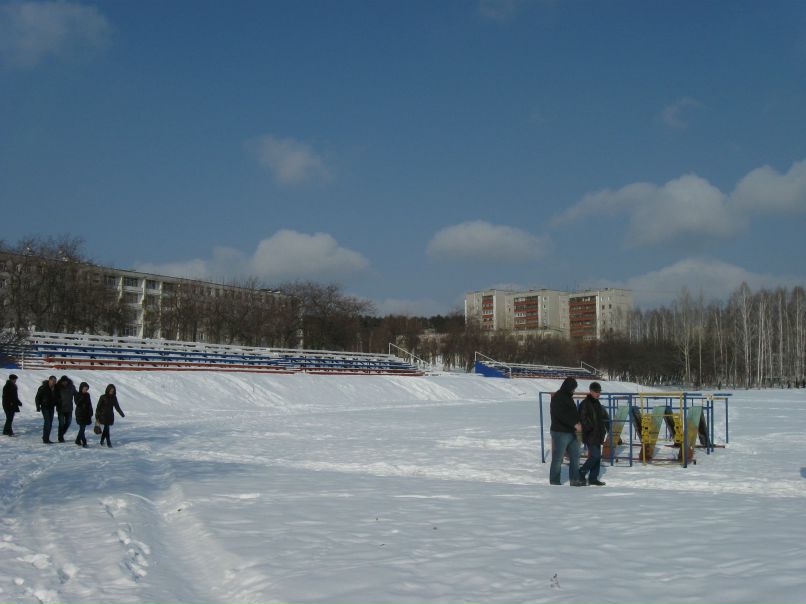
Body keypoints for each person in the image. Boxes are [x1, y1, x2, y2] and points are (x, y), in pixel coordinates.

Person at [549, 376, 585, 486]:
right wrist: (574, 424)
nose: (574, 391)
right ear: (568, 387)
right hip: (560, 432)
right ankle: (554, 481)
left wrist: (578, 423)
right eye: (573, 388)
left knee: (575, 457)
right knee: (558, 458)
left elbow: (572, 413)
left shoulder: (568, 397)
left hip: (573, 432)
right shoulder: (558, 397)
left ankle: (575, 480)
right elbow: (560, 415)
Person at [578, 382, 609, 486]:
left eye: (599, 392)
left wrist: (604, 430)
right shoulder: (585, 404)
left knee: (598, 457)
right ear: (591, 391)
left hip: (598, 434)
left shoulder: (597, 403)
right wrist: (590, 428)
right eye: (596, 391)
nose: (598, 393)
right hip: (590, 434)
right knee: (595, 456)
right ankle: (581, 472)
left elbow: (602, 418)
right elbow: (582, 418)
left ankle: (593, 478)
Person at [35, 375, 58, 443]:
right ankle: (45, 439)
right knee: (47, 421)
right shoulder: (43, 387)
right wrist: (38, 406)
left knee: (50, 423)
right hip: (45, 406)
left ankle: (46, 436)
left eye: (55, 381)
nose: (54, 382)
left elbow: (57, 397)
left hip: (51, 407)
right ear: (49, 380)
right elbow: (37, 397)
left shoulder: (56, 388)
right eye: (53, 381)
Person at [54, 375, 76, 443]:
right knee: (61, 423)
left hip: (69, 408)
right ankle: (60, 437)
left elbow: (76, 394)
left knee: (68, 422)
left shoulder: (71, 387)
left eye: (65, 381)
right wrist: (57, 402)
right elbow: (54, 396)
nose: (64, 383)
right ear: (61, 382)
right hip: (60, 408)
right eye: (63, 382)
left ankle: (61, 434)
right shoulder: (58, 387)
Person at [73, 382, 93, 448]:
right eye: (85, 389)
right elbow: (77, 403)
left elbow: (89, 404)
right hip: (80, 414)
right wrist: (81, 398)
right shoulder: (77, 394)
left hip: (86, 414)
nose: (86, 390)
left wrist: (91, 411)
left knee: (82, 428)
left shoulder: (87, 395)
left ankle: (77, 440)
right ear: (81, 388)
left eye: (87, 389)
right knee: (82, 428)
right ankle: (84, 442)